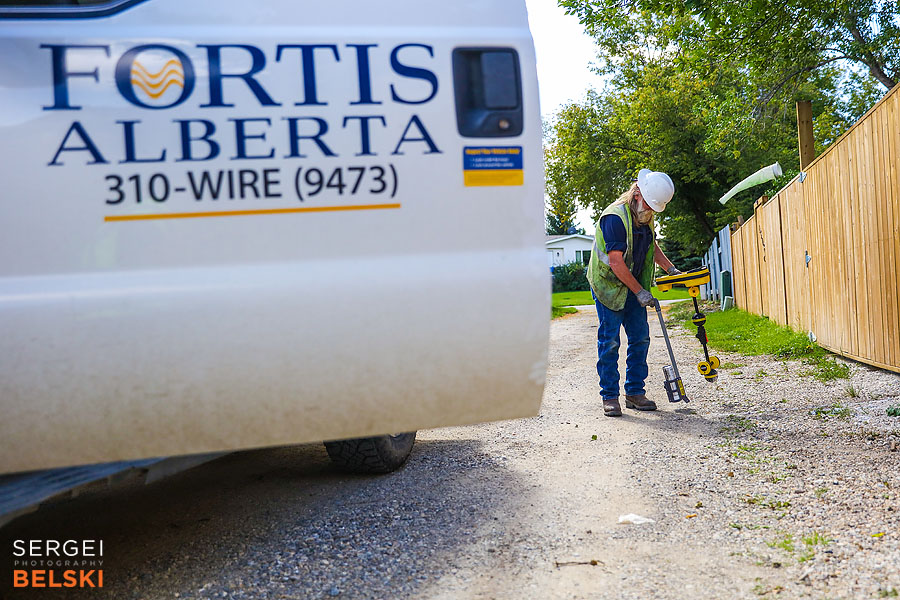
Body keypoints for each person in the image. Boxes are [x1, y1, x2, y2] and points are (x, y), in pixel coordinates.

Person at [586, 169, 681, 417]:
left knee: (640, 338)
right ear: (637, 193)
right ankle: (610, 396)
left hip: (633, 285)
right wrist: (640, 292)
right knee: (610, 341)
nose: (650, 211)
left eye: (654, 207)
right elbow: (616, 262)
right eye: (649, 204)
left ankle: (635, 393)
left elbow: (651, 245)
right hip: (608, 286)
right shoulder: (614, 218)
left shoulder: (644, 216)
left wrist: (670, 269)